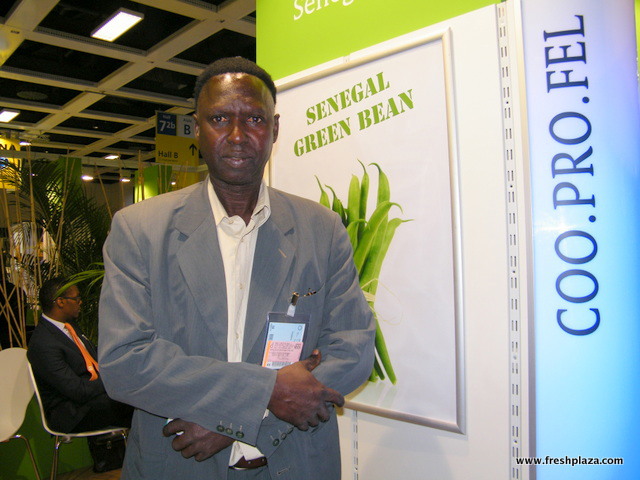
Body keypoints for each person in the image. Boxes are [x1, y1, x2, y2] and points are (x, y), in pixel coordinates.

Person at [98, 56, 375, 480]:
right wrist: (261, 396)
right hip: (178, 463)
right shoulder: (139, 229)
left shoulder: (321, 228)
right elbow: (124, 361)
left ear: (275, 129)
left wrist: (235, 420)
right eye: (219, 118)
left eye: (255, 119)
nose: (238, 135)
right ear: (197, 128)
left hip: (294, 461)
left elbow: (353, 347)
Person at [27, 276, 133, 433]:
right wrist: (114, 378)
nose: (80, 302)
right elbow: (77, 391)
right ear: (60, 302)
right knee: (132, 402)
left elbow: (93, 356)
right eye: (76, 298)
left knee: (136, 394)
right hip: (71, 413)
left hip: (91, 399)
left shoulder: (69, 327)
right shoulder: (43, 343)